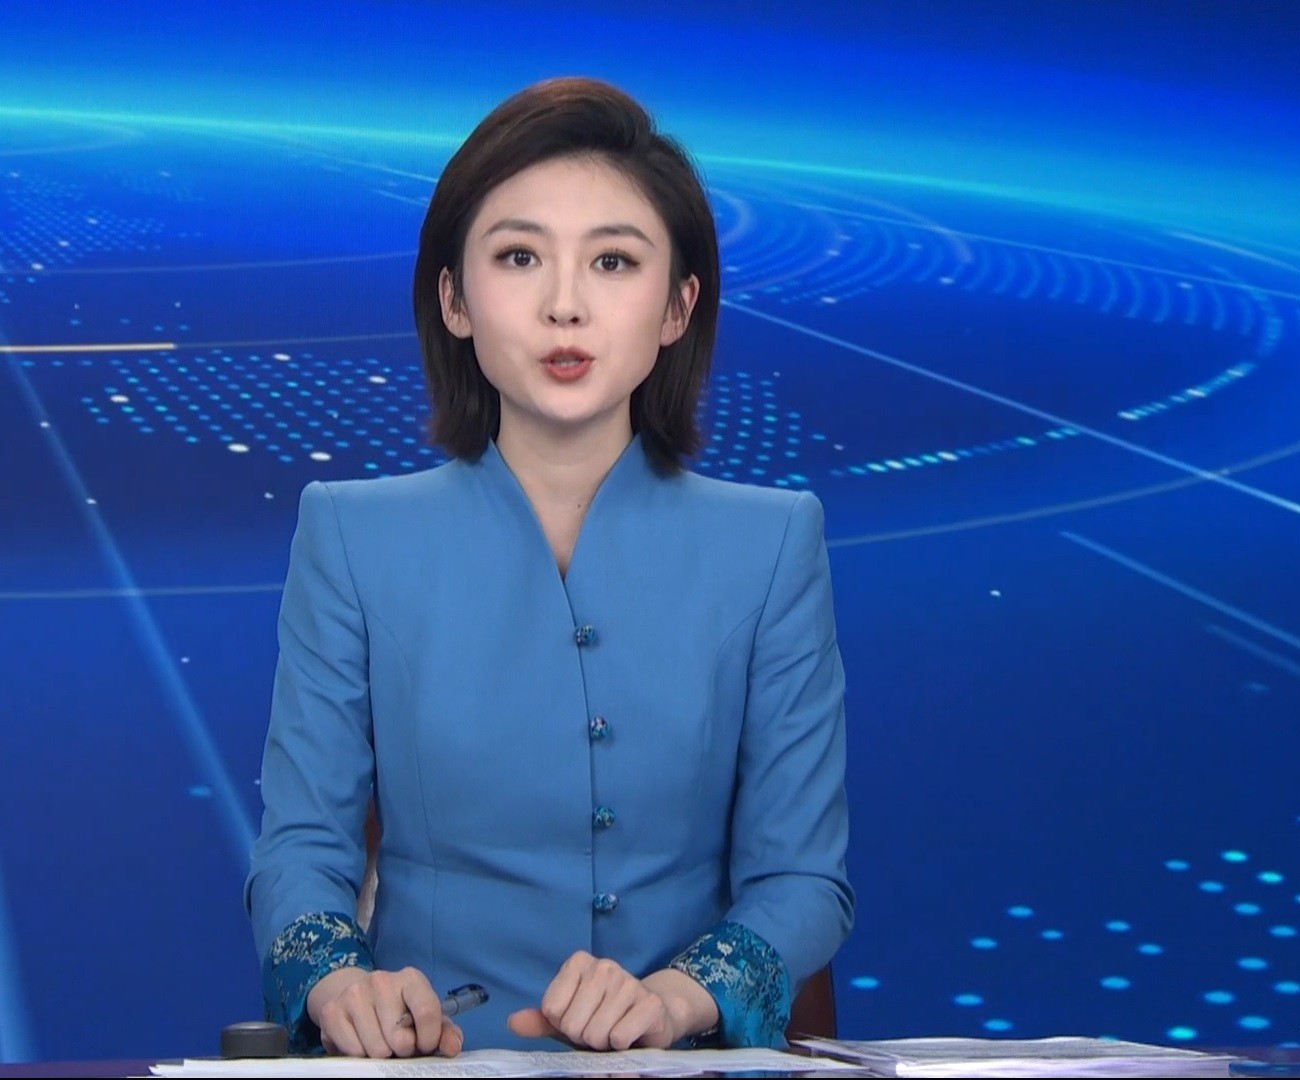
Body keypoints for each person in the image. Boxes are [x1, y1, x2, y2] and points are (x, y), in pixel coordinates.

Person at [242, 76, 854, 1059]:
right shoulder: (350, 536)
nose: (565, 306)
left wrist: (676, 1001)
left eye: (614, 261)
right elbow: (302, 848)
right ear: (454, 298)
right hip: (431, 1064)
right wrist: (339, 984)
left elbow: (803, 880)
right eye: (519, 256)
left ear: (677, 306)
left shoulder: (774, 544)